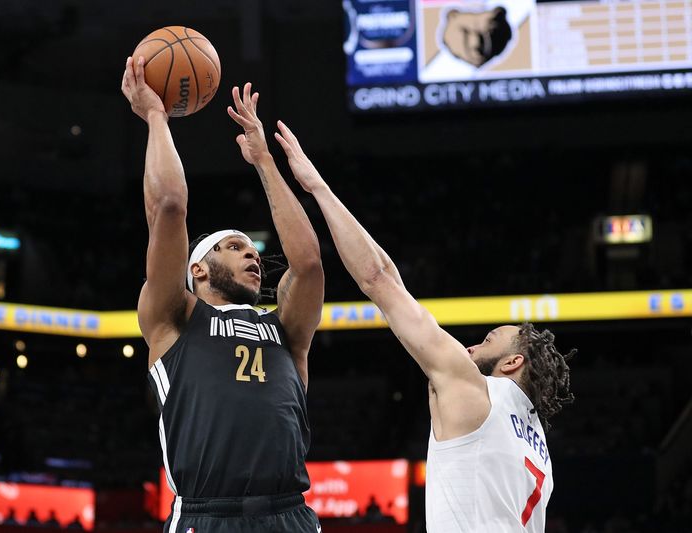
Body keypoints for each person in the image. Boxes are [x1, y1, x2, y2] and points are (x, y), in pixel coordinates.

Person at [274, 122, 575, 532]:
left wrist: (318, 188)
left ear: (512, 362)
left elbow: (380, 281)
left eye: (488, 340)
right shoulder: (538, 442)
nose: (471, 347)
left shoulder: (474, 389)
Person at [120, 56, 324, 533]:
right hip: (206, 517)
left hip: (288, 513)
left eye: (253, 250)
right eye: (235, 247)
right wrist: (155, 116)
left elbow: (308, 262)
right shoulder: (174, 317)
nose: (253, 256)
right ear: (198, 269)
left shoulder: (285, 329)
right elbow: (169, 206)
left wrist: (264, 161)